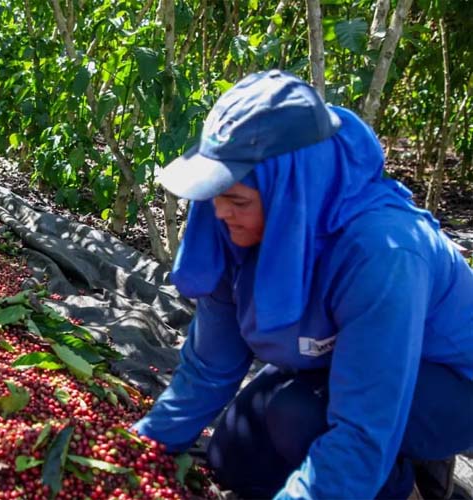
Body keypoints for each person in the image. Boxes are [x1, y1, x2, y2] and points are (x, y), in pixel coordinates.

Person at [133, 70, 473, 499]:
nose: (220, 212)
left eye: (236, 200)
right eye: (217, 194)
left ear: (288, 192)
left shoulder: (383, 252)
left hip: (441, 382)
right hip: (338, 360)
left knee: (297, 418)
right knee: (231, 456)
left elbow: (362, 428)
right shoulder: (236, 223)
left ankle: (408, 486)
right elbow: (210, 365)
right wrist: (143, 447)